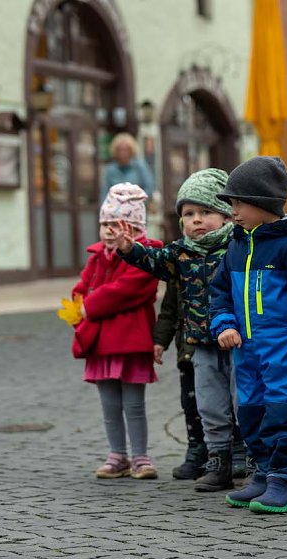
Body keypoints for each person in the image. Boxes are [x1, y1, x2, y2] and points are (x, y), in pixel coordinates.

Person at [111, 169, 245, 492]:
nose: (197, 220)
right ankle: (218, 459)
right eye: (189, 214)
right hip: (200, 343)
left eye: (206, 212)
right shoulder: (180, 252)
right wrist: (131, 250)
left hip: (238, 341)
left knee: (244, 401)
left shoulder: (237, 245)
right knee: (209, 404)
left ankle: (248, 455)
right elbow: (155, 262)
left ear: (226, 215)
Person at [208, 156, 287, 514]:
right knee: (252, 412)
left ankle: (285, 480)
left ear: (262, 204)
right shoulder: (237, 245)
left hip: (283, 348)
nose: (233, 211)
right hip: (247, 351)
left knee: (285, 409)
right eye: (231, 204)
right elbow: (219, 290)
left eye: (239, 203)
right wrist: (225, 323)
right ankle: (263, 472)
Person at [64, 183, 162, 480]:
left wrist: (89, 305)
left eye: (115, 224)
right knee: (109, 404)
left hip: (130, 342)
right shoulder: (96, 257)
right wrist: (75, 306)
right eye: (104, 224)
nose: (108, 230)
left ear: (133, 227)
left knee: (133, 403)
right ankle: (117, 454)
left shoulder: (147, 255)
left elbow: (127, 289)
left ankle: (141, 457)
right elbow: (82, 287)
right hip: (101, 343)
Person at [152, 280, 206, 479]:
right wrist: (160, 340)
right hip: (187, 347)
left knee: (223, 403)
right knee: (190, 402)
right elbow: (169, 307)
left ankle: (231, 452)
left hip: (217, 342)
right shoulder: (180, 259)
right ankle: (196, 449)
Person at [100, 133, 155, 205]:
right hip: (116, 211)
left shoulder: (139, 166)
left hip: (137, 209)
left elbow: (149, 187)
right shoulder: (110, 170)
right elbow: (104, 193)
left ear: (131, 150)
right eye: (120, 150)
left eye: (126, 149)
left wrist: (136, 203)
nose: (123, 153)